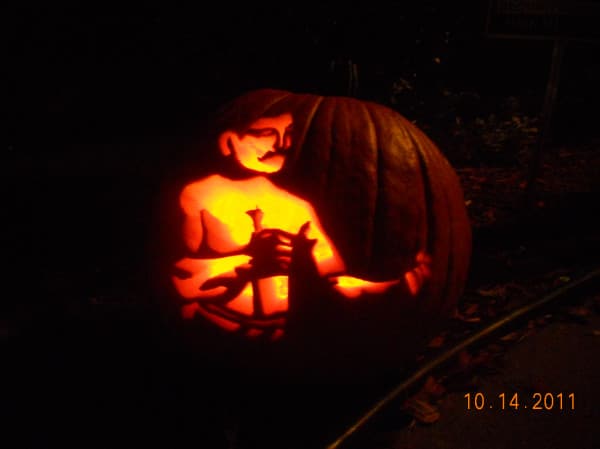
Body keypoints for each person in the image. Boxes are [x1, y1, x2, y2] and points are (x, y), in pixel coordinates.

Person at [171, 112, 431, 337]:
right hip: (216, 327)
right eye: (265, 134)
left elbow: (332, 280)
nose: (281, 144)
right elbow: (182, 278)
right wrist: (249, 262)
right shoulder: (197, 197)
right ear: (230, 140)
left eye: (288, 133)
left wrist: (390, 289)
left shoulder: (297, 206)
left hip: (287, 330)